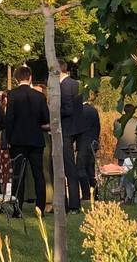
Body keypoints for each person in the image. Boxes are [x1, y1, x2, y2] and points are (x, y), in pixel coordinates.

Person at [4, 66, 50, 215]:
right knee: (38, 174)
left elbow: (9, 119)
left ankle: (18, 208)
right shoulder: (39, 96)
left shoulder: (12, 95)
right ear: (30, 77)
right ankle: (40, 208)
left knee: (18, 175)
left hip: (17, 140)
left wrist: (8, 139)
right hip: (36, 139)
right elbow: (45, 118)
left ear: (16, 78)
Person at [59, 62, 84, 212]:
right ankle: (73, 202)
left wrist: (53, 112)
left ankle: (72, 204)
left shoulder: (64, 86)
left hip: (66, 130)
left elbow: (67, 109)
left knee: (68, 167)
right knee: (71, 167)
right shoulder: (76, 84)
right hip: (76, 129)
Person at [78, 98, 101, 199]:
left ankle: (86, 194)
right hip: (93, 143)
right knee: (90, 169)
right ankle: (95, 193)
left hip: (83, 142)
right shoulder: (93, 110)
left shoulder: (80, 110)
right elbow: (98, 127)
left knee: (80, 168)